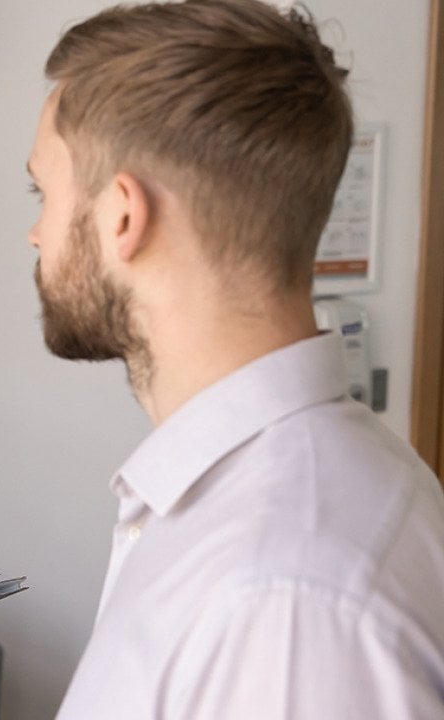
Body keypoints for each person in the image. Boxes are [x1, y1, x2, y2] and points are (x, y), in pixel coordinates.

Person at [25, 0, 444, 717]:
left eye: (43, 193)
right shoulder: (280, 499)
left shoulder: (288, 602)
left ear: (123, 217)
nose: (36, 234)